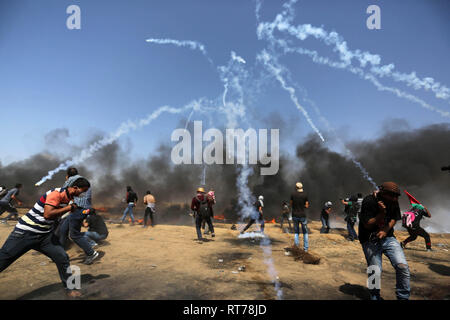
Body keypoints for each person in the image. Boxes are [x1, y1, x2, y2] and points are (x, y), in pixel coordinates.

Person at [0, 177, 92, 298]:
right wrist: (69, 208)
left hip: (44, 236)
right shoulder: (56, 194)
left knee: (62, 257)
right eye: (82, 190)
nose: (82, 193)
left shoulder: (70, 198)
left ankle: (70, 289)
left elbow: (58, 216)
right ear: (75, 188)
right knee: (3, 260)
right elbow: (48, 214)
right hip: (25, 233)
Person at [359, 182, 410, 300]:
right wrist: (381, 213)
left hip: (388, 237)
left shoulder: (394, 202)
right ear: (383, 193)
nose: (395, 198)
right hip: (370, 239)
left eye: (397, 196)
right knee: (375, 270)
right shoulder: (369, 201)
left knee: (403, 267)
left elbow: (394, 218)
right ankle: (374, 295)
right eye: (392, 195)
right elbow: (367, 224)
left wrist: (385, 230)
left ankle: (403, 297)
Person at [57, 168, 98, 264]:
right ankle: (60, 254)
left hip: (79, 209)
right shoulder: (82, 180)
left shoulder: (71, 180)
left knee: (74, 235)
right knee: (63, 230)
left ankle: (91, 253)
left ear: (68, 175)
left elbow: (62, 193)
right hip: (81, 209)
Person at [290, 182, 309, 252]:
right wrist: (302, 205)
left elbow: (291, 204)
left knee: (296, 232)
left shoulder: (293, 194)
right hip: (302, 215)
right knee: (305, 232)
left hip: (295, 215)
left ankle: (296, 247)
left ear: (296, 187)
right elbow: (307, 206)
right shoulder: (305, 195)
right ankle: (305, 248)